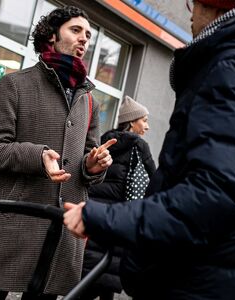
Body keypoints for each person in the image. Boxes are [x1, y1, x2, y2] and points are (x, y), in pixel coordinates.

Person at [63, 0, 235, 298]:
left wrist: (101, 219)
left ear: (216, 5)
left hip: (196, 283)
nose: (191, 13)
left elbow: (217, 196)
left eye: (194, 2)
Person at [0, 6, 115, 300]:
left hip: (60, 233)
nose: (84, 39)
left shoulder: (90, 101)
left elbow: (88, 163)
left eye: (87, 35)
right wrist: (39, 156)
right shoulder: (15, 84)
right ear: (51, 36)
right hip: (13, 222)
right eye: (75, 31)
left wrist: (94, 165)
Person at [79, 96, 156, 300]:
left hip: (96, 219)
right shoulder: (139, 148)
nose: (147, 127)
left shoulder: (106, 141)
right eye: (144, 120)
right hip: (117, 223)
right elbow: (153, 184)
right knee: (106, 284)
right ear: (132, 122)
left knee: (88, 282)